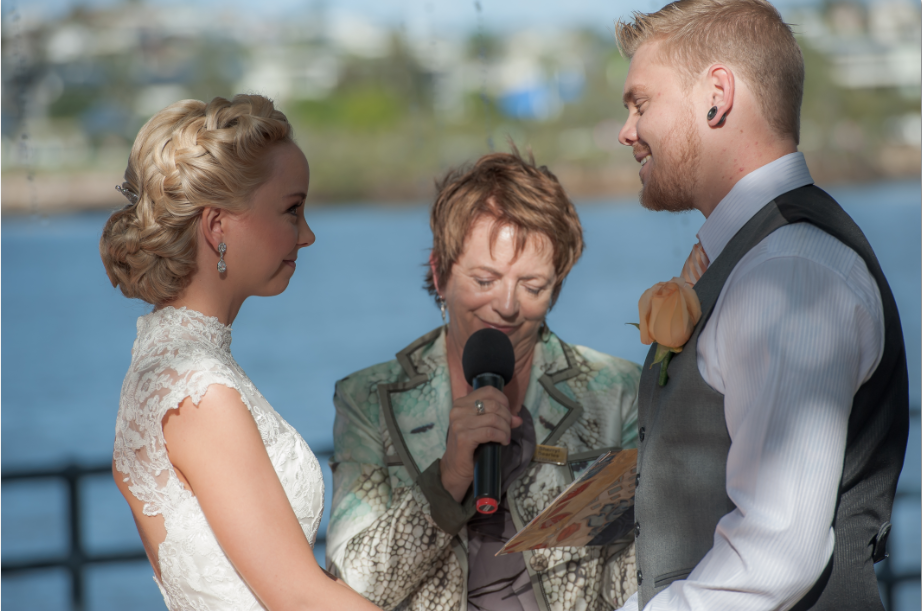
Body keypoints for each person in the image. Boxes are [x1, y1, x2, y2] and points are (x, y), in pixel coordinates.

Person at [612, 1, 909, 610]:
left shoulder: (790, 271)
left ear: (717, 96)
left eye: (641, 104)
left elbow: (775, 551)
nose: (626, 131)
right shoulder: (760, 257)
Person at [326, 151, 642, 611]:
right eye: (485, 280)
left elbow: (633, 586)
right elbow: (352, 590)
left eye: (532, 287)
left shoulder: (617, 392)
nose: (507, 306)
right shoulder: (369, 400)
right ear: (440, 274)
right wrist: (449, 478)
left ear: (556, 288)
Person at [103, 94, 381, 611]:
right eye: (292, 210)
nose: (308, 235)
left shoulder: (166, 365)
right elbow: (299, 598)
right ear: (217, 227)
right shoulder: (195, 388)